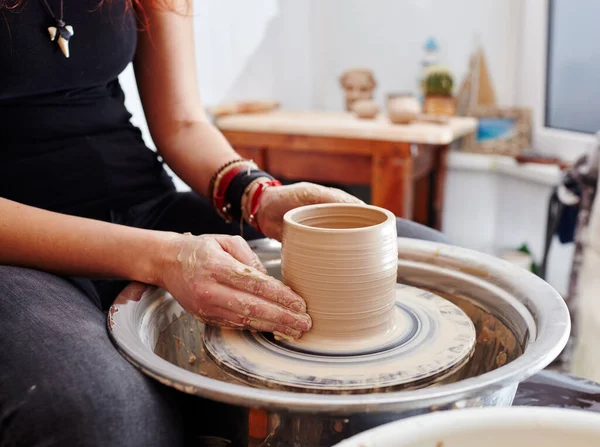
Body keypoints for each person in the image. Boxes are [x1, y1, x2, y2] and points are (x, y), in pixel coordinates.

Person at [0, 0, 448, 445]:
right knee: (101, 413)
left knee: (439, 261)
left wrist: (259, 195)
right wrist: (161, 257)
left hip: (144, 202)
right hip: (22, 242)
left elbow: (182, 123)